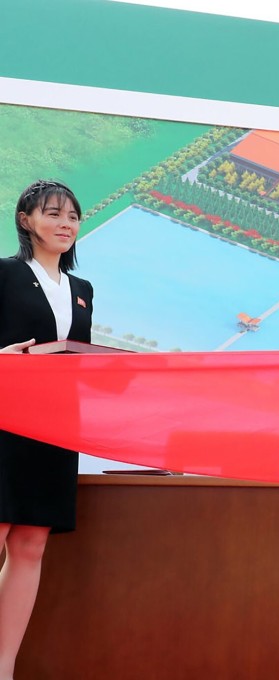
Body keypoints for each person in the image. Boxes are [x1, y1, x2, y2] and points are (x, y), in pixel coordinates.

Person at [0, 180, 93, 680]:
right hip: (4, 421)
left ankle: (4, 667)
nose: (65, 224)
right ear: (25, 220)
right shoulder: (5, 274)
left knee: (32, 544)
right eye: (54, 214)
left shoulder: (83, 291)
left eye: (73, 217)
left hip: (57, 427)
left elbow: (79, 356)